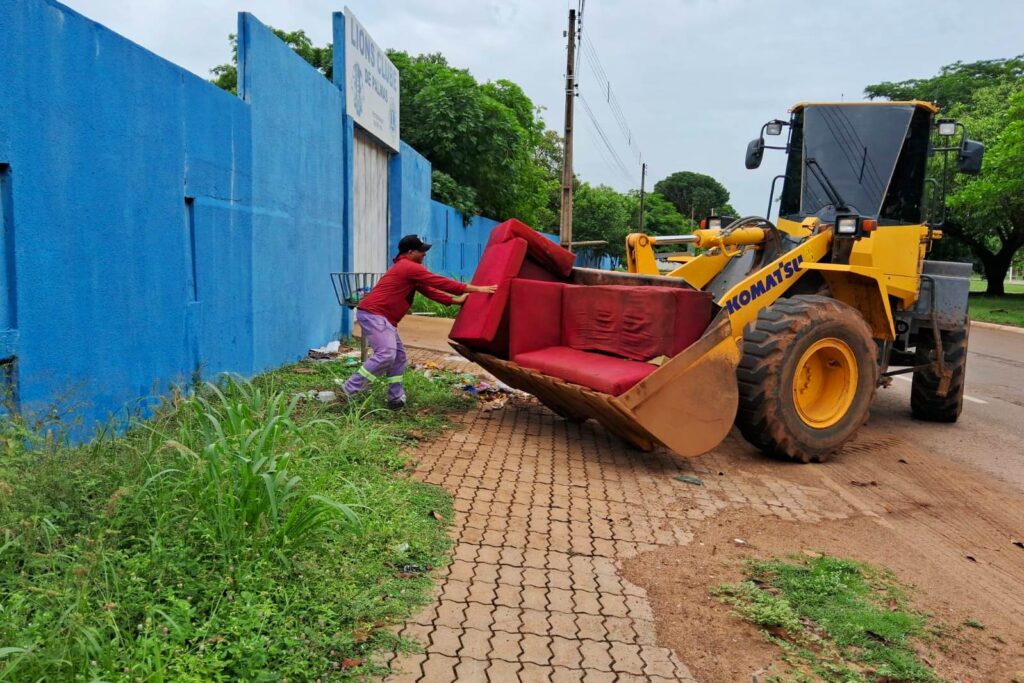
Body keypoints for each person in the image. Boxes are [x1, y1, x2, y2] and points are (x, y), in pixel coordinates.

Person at [341, 235, 497, 409]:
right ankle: (349, 390)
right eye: (421, 251)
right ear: (410, 252)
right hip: (374, 314)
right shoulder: (409, 267)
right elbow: (440, 282)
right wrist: (478, 289)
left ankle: (395, 398)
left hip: (383, 317)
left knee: (399, 358)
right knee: (386, 354)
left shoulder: (407, 269)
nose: (424, 254)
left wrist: (456, 301)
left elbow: (429, 290)